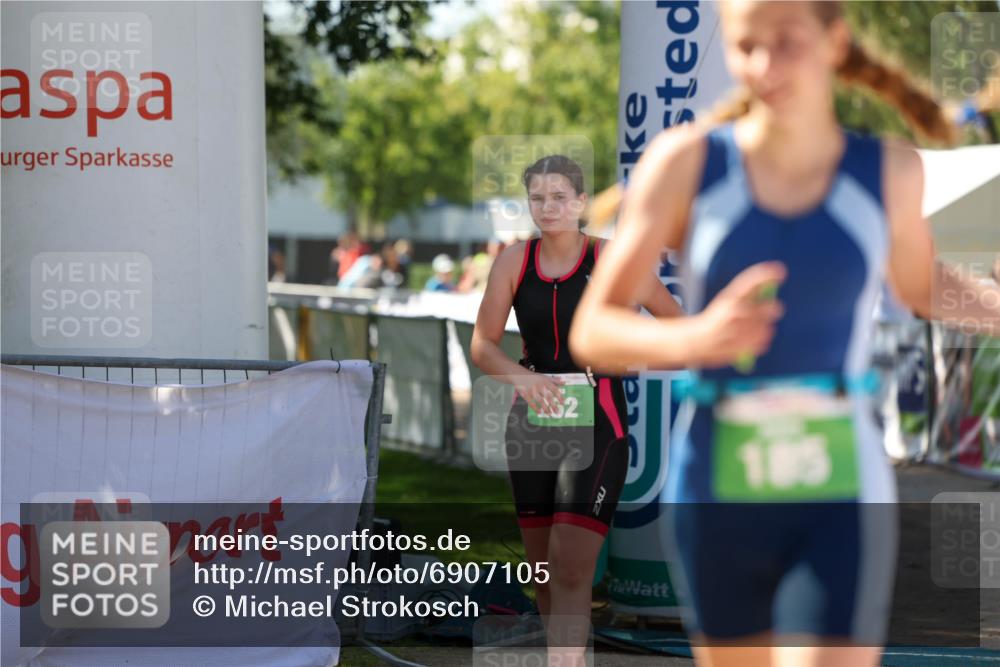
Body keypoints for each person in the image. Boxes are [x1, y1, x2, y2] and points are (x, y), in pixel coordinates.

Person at [568, 3, 1000, 667]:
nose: (765, 66)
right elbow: (594, 328)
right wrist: (699, 337)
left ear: (835, 41)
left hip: (840, 480)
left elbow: (922, 287)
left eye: (788, 43)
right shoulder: (684, 163)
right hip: (717, 476)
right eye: (746, 47)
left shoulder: (890, 170)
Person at [471, 155, 680, 664]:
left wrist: (630, 353)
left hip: (597, 422)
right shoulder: (513, 261)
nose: (548, 207)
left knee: (570, 567)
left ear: (582, 202)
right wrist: (522, 377)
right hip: (532, 423)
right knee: (543, 570)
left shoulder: (611, 258)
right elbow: (483, 346)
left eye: (559, 196)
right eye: (538, 197)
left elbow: (677, 327)